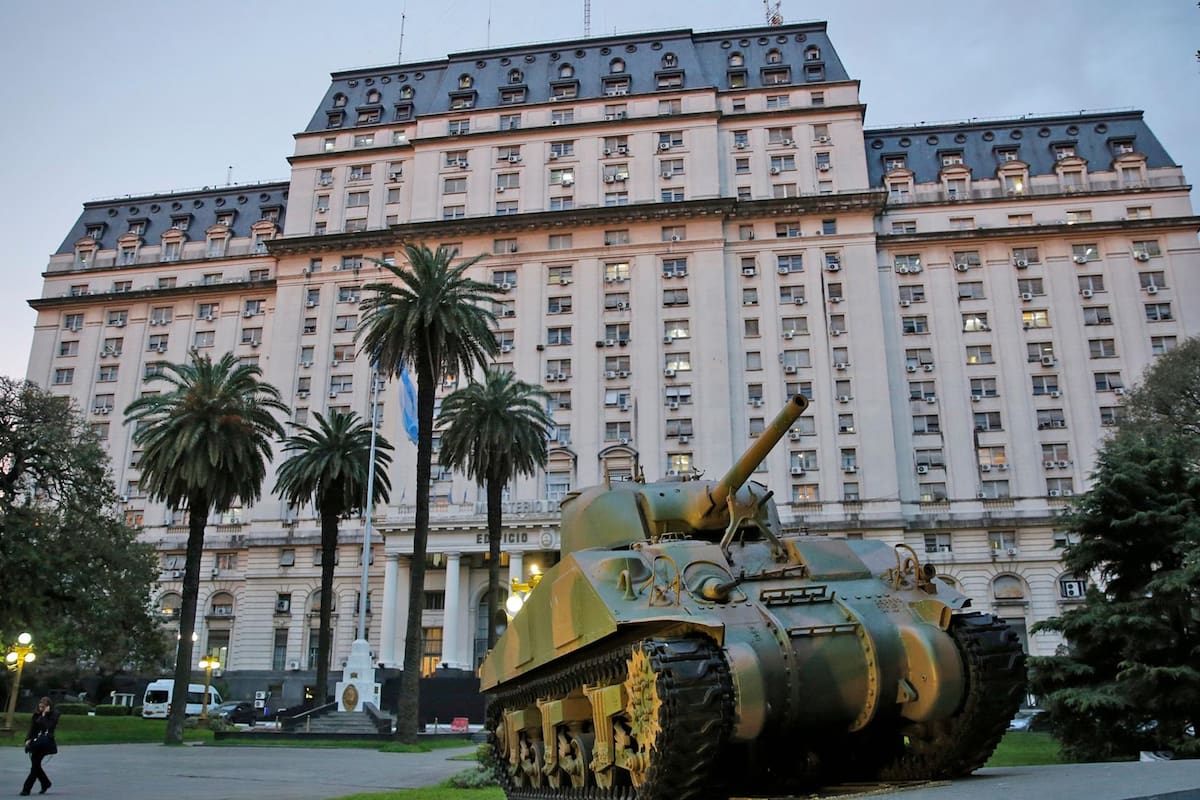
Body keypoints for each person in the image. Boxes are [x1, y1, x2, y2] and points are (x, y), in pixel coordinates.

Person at [21, 696, 58, 795]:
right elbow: (32, 729)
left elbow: (48, 726)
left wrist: (45, 715)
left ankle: (26, 789)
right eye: (40, 707)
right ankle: (45, 783)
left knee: (35, 765)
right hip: (36, 742)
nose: (41, 709)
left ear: (48, 707)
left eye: (43, 707)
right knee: (35, 764)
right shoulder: (37, 714)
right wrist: (27, 739)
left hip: (46, 743)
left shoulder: (54, 715)